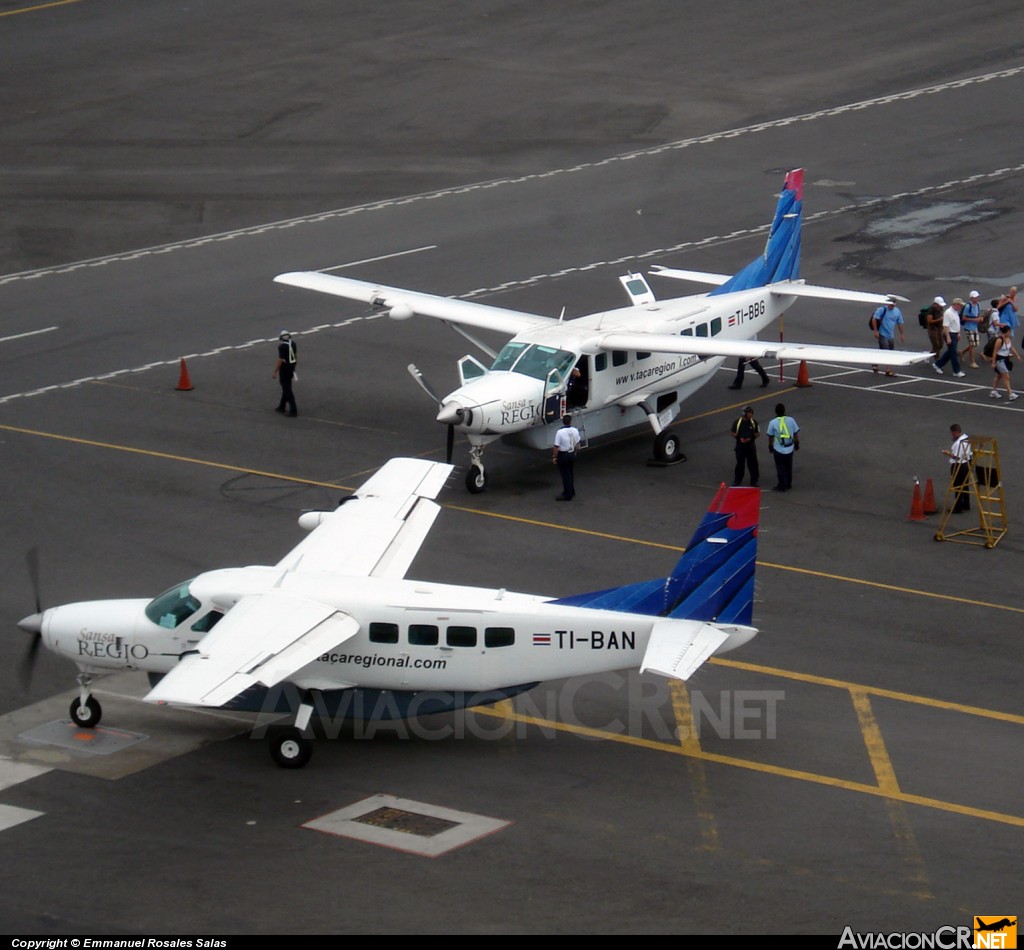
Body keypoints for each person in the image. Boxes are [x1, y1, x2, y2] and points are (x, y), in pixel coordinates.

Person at [766, 402, 800, 492]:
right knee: (789, 466)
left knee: (780, 467)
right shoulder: (791, 420)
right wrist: (797, 443)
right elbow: (796, 432)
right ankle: (788, 483)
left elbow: (770, 436)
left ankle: (782, 485)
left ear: (776, 412)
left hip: (779, 449)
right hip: (790, 448)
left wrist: (770, 445)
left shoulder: (772, 423)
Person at [870, 296, 905, 376]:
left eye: (893, 305)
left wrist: (902, 334)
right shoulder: (882, 309)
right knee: (886, 351)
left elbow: (899, 323)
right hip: (882, 334)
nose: (891, 306)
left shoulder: (897, 311)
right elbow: (874, 319)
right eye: (890, 305)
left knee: (886, 351)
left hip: (890, 335)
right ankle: (888, 370)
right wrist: (876, 331)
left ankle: (875, 362)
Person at [942, 424, 973, 513]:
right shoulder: (966, 438)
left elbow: (957, 457)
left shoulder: (958, 443)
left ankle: (958, 507)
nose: (952, 435)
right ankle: (966, 504)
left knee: (957, 486)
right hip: (967, 464)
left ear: (955, 432)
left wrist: (947, 453)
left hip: (959, 466)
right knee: (965, 484)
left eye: (952, 433)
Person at [933, 298, 966, 376]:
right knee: (953, 353)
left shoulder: (955, 312)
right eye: (960, 305)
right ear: (956, 305)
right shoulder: (948, 313)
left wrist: (958, 333)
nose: (961, 307)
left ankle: (938, 364)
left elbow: (956, 323)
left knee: (951, 351)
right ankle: (956, 371)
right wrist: (948, 337)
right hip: (950, 334)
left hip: (954, 333)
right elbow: (946, 326)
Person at [552, 413, 581, 500]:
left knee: (565, 475)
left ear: (563, 422)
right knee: (570, 473)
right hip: (571, 453)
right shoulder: (575, 430)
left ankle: (567, 494)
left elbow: (556, 446)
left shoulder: (560, 432)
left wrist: (555, 457)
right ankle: (571, 490)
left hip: (563, 454)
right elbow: (578, 443)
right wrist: (575, 452)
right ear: (570, 422)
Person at [989, 325, 1021, 401]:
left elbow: (1011, 347)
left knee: (999, 375)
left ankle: (993, 391)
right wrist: (993, 362)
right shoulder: (999, 340)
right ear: (1006, 332)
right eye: (1009, 332)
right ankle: (1010, 394)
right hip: (999, 360)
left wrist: (1017, 356)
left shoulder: (1008, 339)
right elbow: (995, 351)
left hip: (1006, 359)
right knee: (1006, 376)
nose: (1010, 333)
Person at [731, 406, 760, 487]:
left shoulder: (754, 422)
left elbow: (757, 433)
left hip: (750, 447)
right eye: (749, 413)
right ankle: (737, 481)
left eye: (751, 413)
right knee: (740, 464)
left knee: (753, 464)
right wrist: (739, 438)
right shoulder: (737, 422)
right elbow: (733, 432)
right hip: (740, 447)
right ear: (744, 413)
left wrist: (750, 438)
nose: (751, 414)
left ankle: (754, 481)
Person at [273, 330, 298, 416]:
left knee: (287, 388)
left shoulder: (282, 347)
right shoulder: (293, 344)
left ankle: (293, 409)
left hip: (284, 369)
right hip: (291, 367)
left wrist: (275, 371)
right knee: (286, 386)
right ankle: (282, 406)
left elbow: (280, 360)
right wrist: (294, 366)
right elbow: (295, 356)